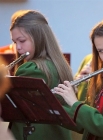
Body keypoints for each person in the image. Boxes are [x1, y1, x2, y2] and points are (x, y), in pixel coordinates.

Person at [9, 10, 74, 140]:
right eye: (15, 42)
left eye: (22, 41)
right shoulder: (58, 64)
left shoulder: (31, 69)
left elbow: (12, 108)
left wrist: (4, 84)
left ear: (38, 38)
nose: (18, 48)